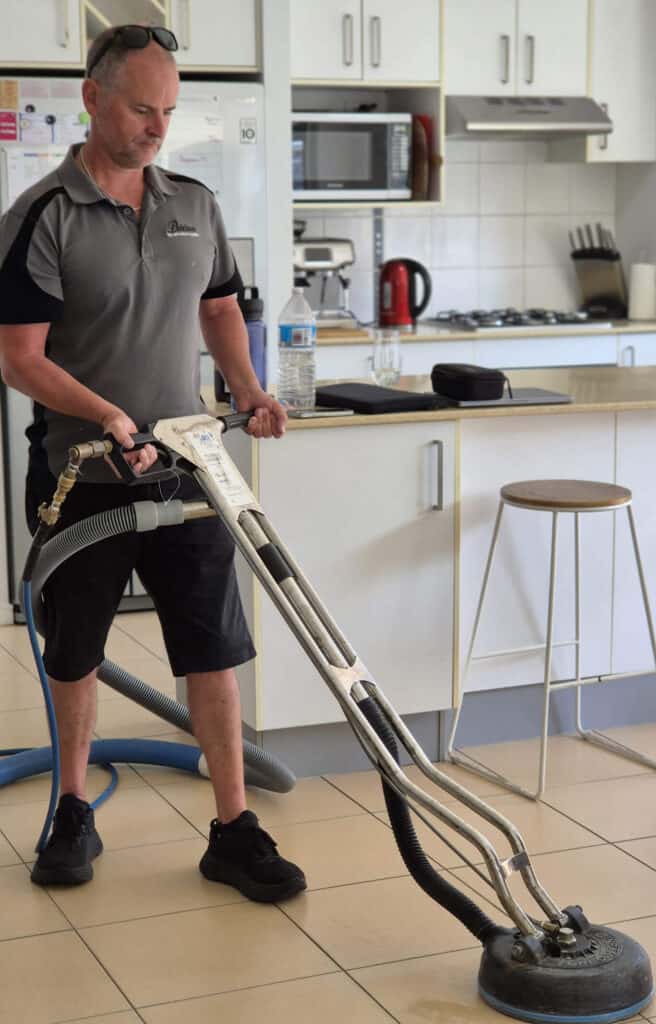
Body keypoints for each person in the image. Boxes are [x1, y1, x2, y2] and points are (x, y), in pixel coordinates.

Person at [0, 25, 306, 902]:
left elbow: (220, 308)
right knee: (75, 652)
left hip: (186, 468)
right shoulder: (42, 216)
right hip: (83, 475)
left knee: (212, 649)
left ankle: (233, 828)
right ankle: (71, 809)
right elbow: (19, 357)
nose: (158, 127)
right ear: (93, 98)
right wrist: (105, 413)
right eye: (142, 108)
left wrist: (248, 388)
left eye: (168, 110)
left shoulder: (194, 204)